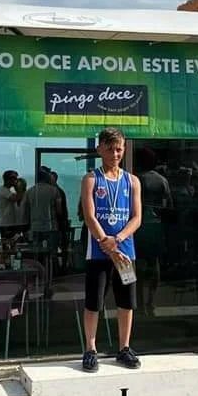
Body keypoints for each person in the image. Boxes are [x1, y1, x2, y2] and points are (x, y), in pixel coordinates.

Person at [80, 127, 142, 372]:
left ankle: (124, 347)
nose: (115, 154)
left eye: (119, 149)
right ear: (99, 150)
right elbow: (89, 216)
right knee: (94, 301)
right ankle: (90, 349)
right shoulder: (91, 179)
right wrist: (105, 241)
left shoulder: (132, 181)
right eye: (109, 149)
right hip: (98, 251)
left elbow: (137, 217)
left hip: (125, 253)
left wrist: (118, 239)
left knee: (126, 301)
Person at [134, 146, 172, 315]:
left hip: (140, 225)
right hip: (157, 225)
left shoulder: (137, 179)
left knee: (139, 265)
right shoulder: (162, 180)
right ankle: (151, 302)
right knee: (154, 263)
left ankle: (140, 302)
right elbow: (169, 205)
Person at [50, 170, 71, 272]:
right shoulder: (58, 191)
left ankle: (61, 267)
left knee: (61, 246)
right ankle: (60, 266)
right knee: (61, 246)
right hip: (60, 222)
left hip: (59, 223)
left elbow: (60, 210)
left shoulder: (57, 192)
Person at [0, 169, 25, 239]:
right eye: (15, 179)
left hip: (12, 223)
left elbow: (20, 201)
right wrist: (20, 188)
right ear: (9, 180)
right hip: (7, 224)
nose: (16, 181)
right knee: (8, 244)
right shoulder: (3, 191)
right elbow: (15, 198)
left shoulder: (9, 191)